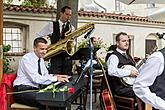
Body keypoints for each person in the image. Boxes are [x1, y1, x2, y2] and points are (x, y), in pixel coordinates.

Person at [13, 37, 69, 109]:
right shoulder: (26, 59)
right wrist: (55, 78)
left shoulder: (41, 59)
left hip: (34, 89)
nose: (45, 52)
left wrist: (57, 76)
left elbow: (45, 75)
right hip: (22, 91)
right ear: (34, 48)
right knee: (46, 101)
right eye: (42, 49)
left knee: (58, 101)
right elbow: (35, 78)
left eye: (46, 49)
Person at [36, 6, 74, 76]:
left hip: (67, 58)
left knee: (68, 78)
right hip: (55, 56)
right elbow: (39, 35)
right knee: (55, 77)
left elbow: (72, 42)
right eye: (66, 14)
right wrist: (46, 45)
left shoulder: (71, 28)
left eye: (70, 15)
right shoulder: (51, 25)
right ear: (61, 13)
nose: (68, 17)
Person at [106, 32, 139, 98]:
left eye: (127, 41)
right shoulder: (114, 56)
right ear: (117, 43)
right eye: (124, 41)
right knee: (143, 91)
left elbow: (135, 69)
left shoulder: (128, 56)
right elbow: (111, 71)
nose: (127, 43)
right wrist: (129, 73)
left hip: (130, 85)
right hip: (120, 88)